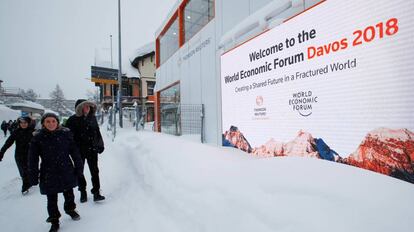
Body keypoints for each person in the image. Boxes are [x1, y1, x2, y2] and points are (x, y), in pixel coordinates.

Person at [28, 113, 83, 232]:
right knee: (51, 198)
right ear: (43, 123)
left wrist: (79, 167)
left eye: (53, 121)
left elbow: (74, 152)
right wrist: (33, 175)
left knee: (69, 193)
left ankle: (70, 209)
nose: (51, 124)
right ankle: (54, 220)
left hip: (66, 169)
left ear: (57, 122)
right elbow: (32, 159)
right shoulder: (38, 138)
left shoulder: (65, 134)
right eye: (48, 121)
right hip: (48, 172)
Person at [66, 99, 105, 203]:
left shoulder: (92, 118)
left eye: (89, 106)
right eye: (85, 107)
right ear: (79, 108)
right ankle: (82, 191)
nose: (87, 108)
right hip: (78, 151)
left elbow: (97, 132)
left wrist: (100, 144)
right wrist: (70, 148)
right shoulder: (72, 120)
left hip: (92, 149)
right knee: (79, 171)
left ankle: (96, 192)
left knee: (95, 171)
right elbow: (68, 136)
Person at [0, 117, 35, 194]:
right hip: (19, 155)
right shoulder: (16, 132)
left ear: (28, 123)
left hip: (30, 155)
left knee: (29, 170)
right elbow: (8, 143)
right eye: (21, 123)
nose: (23, 124)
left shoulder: (33, 132)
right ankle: (27, 183)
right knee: (22, 171)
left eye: (25, 123)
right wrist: (1, 152)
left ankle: (26, 186)